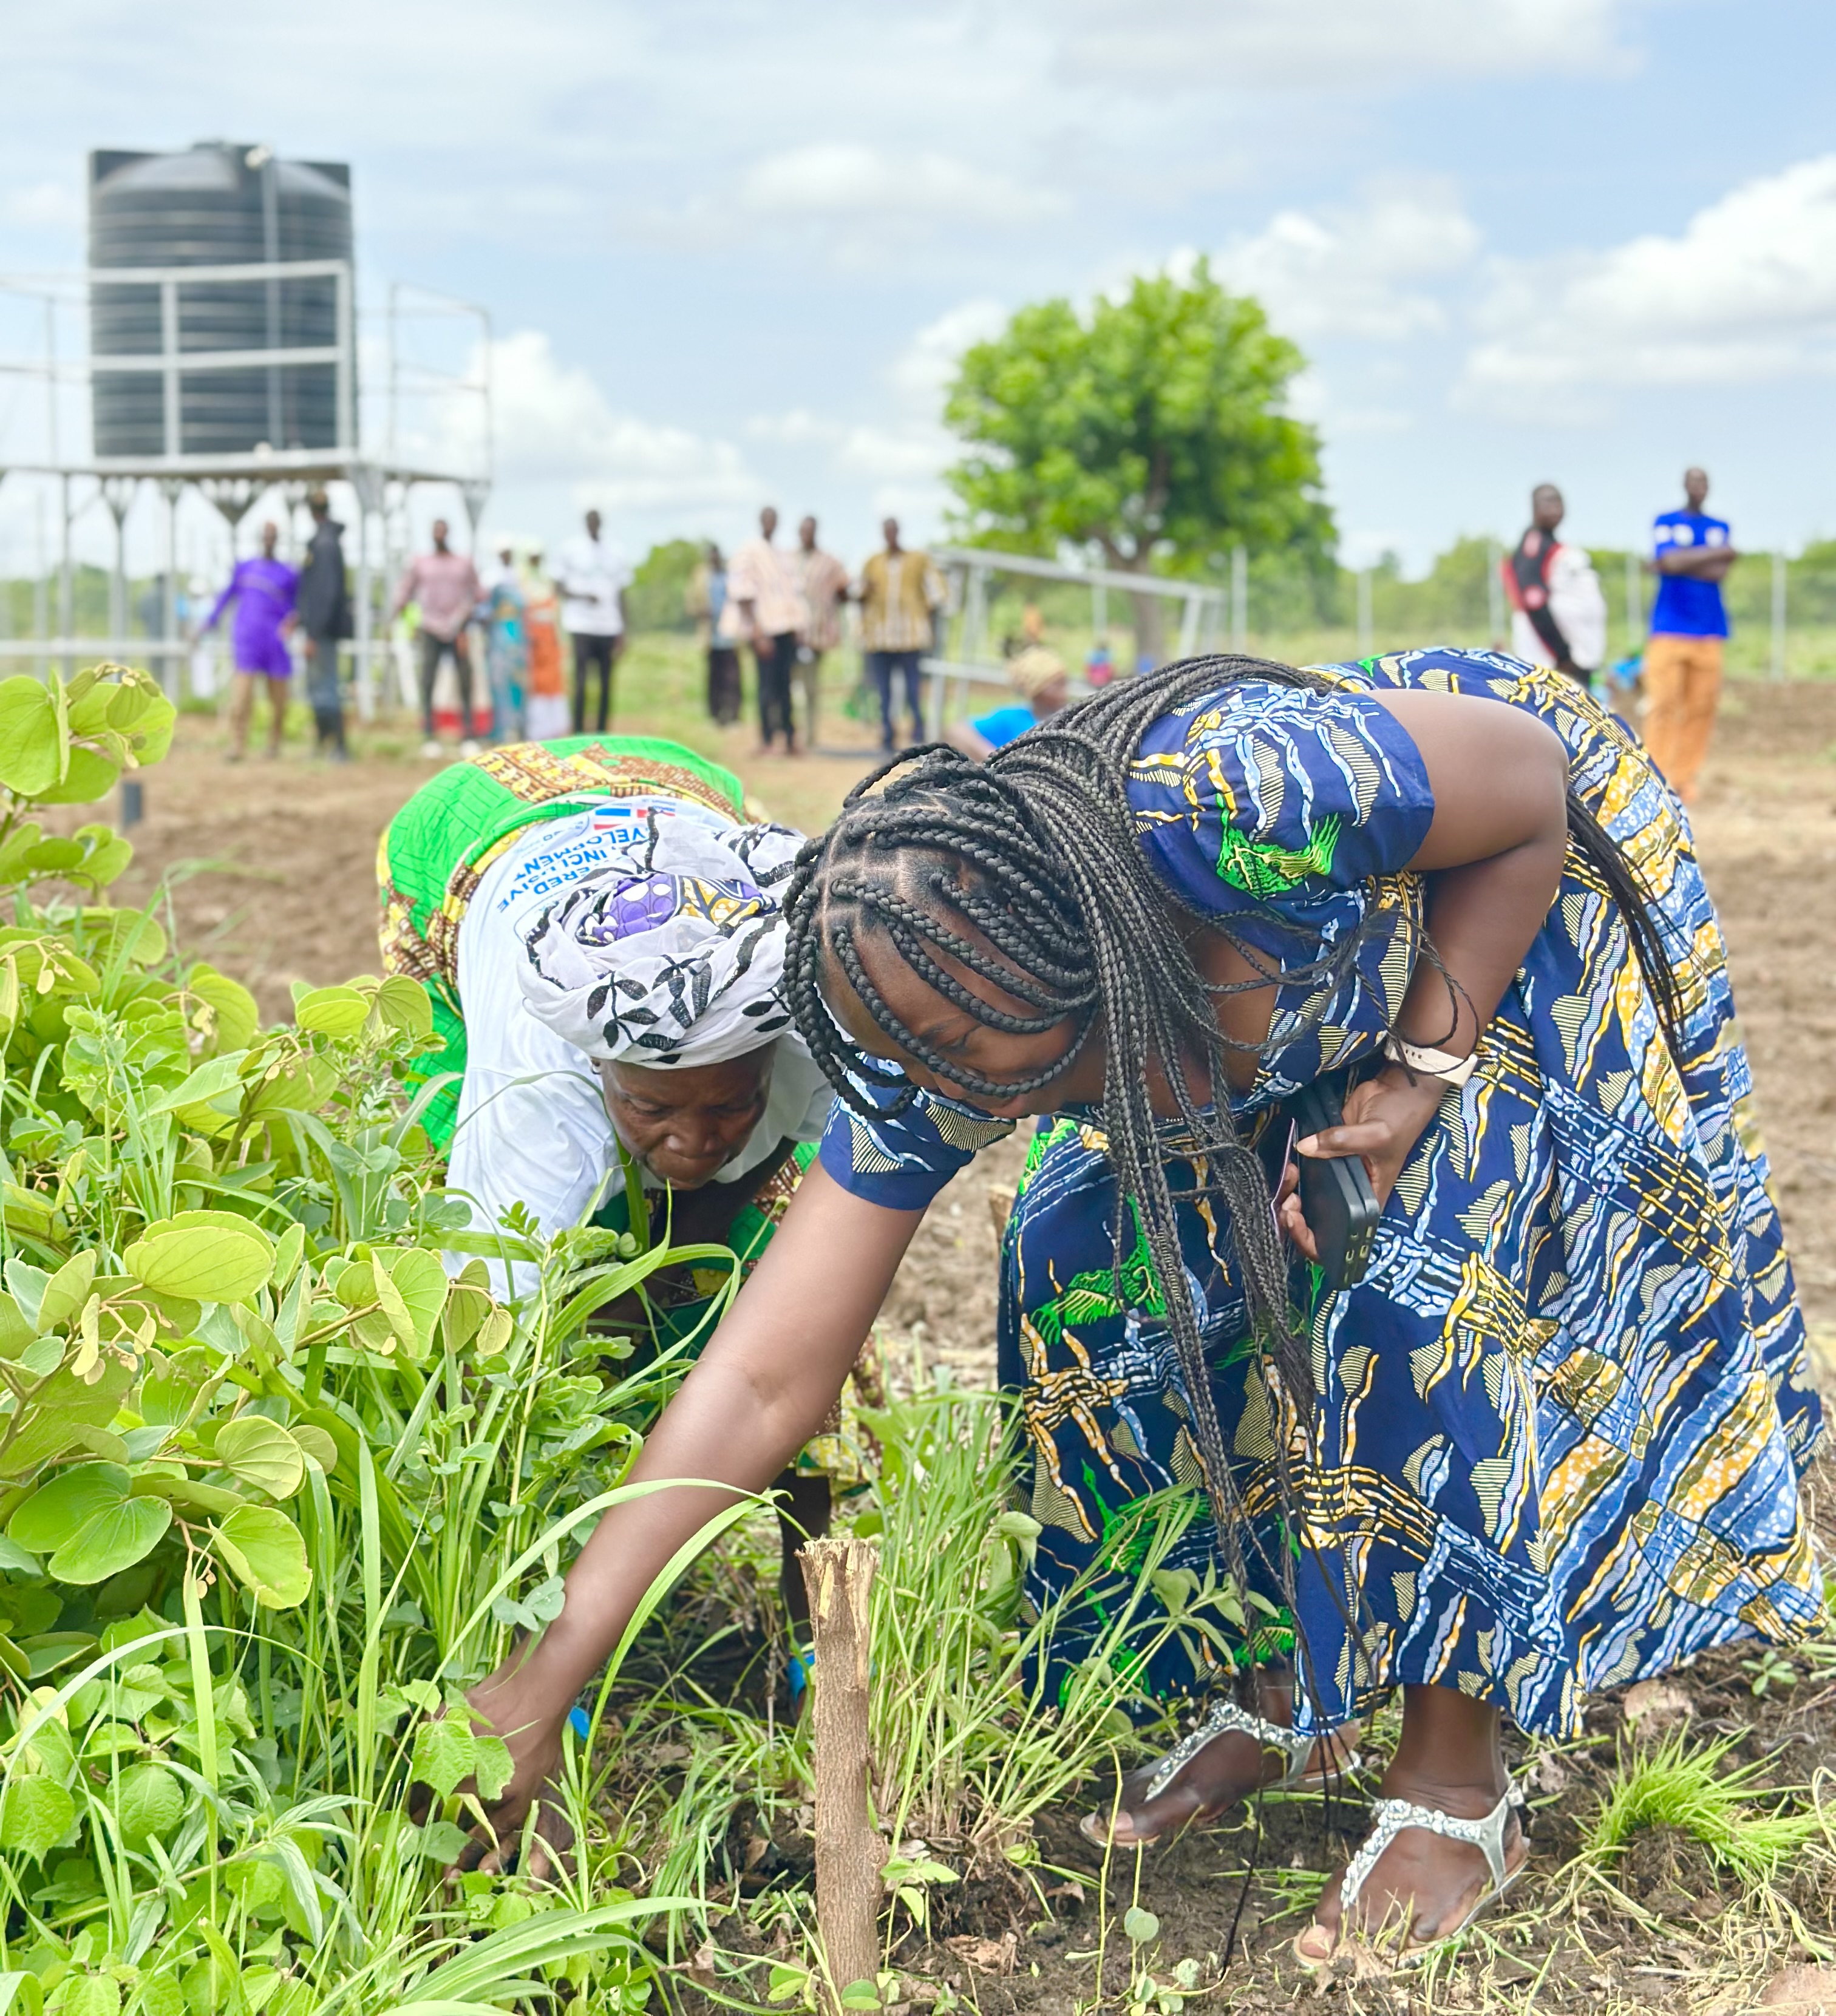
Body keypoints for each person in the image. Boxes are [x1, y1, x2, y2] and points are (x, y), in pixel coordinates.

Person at [445, 647, 1818, 1972]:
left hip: (1495, 902)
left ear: (1090, 958)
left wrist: (1416, 1072)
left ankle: (1456, 1778)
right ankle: (1273, 1683)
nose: (977, 1111)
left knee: (1414, 1292)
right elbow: (760, 1379)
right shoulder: (930, 1012)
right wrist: (544, 1674)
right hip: (1251, 990)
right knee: (1079, 1268)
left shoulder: (1245, 801)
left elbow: (1524, 788)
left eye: (1011, 1076)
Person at [376, 733, 847, 1650]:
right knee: (539, 1302)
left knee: (782, 1270)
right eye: (649, 1107)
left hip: (678, 791)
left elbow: (824, 1270)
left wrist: (694, 1247)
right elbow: (495, 1346)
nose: (694, 1140)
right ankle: (549, 1594)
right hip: (467, 839)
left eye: (730, 1105)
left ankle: (816, 1644)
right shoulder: (537, 1086)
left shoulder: (814, 1022)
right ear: (597, 1069)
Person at [1644, 467, 1737, 804]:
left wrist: (1682, 562)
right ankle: (1656, 775)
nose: (1699, 487)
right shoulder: (1666, 520)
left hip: (1710, 631)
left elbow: (1718, 572)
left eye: (1704, 482)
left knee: (1702, 707)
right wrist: (1718, 554)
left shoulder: (1719, 526)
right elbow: (1669, 562)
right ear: (1684, 485)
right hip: (1668, 629)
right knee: (1664, 703)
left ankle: (1684, 779)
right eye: (1693, 481)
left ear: (1709, 488)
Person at [199, 519, 297, 762]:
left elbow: (296, 607)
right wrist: (208, 623)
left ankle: (274, 743)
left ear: (277, 540)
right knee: (242, 697)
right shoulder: (245, 569)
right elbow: (226, 598)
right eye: (265, 535)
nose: (269, 540)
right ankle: (238, 744)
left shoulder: (288, 574)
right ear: (260, 538)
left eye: (273, 536)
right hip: (248, 641)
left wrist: (293, 623)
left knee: (279, 698)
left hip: (275, 642)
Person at [389, 520, 484, 759]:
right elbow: (404, 594)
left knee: (465, 680)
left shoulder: (463, 563)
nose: (439, 535)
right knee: (428, 681)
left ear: (448, 533)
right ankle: (429, 734)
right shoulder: (421, 563)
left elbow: (479, 594)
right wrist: (404, 622)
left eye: (442, 530)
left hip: (458, 628)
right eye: (436, 531)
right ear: (432, 535)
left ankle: (469, 734)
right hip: (430, 628)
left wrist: (467, 616)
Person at [1500, 484, 1606, 688]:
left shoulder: (1549, 543)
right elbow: (1533, 602)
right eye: (1548, 502)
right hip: (1552, 659)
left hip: (1568, 655)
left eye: (1558, 502)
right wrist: (1563, 654)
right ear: (1534, 507)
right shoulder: (1535, 544)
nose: (1555, 508)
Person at [857, 517, 943, 753]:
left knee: (913, 688)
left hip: (910, 637)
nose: (890, 535)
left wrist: (922, 609)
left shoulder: (917, 560)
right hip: (881, 637)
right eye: (887, 531)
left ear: (899, 532)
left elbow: (937, 591)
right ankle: (887, 733)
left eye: (893, 531)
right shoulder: (873, 562)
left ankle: (917, 731)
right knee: (883, 690)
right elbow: (859, 592)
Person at [728, 507, 808, 756]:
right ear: (761, 522)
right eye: (767, 520)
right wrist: (758, 633)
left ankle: (789, 738)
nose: (771, 524)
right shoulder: (749, 551)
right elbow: (743, 594)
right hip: (763, 631)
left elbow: (793, 594)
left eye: (775, 520)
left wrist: (798, 627)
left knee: (785, 687)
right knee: (766, 688)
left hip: (785, 630)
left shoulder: (783, 555)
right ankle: (766, 740)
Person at [557, 509, 631, 735]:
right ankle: (578, 730)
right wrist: (583, 596)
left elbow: (622, 593)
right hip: (581, 625)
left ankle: (602, 731)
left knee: (607, 683)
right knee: (580, 681)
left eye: (596, 522)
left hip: (609, 626)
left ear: (601, 523)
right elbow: (558, 587)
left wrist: (624, 630)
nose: (593, 525)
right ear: (585, 524)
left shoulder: (616, 551)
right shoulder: (571, 550)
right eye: (590, 522)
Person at [296, 489, 353, 761]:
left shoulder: (323, 545)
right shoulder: (327, 542)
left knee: (326, 687)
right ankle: (324, 744)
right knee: (321, 686)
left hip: (322, 632)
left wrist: (313, 633)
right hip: (322, 629)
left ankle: (338, 746)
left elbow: (325, 594)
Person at [946, 645, 1069, 760]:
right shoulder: (1013, 718)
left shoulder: (1070, 720)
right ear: (1037, 690)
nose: (1064, 692)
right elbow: (958, 732)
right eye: (1057, 685)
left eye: (1064, 683)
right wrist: (995, 758)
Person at [794, 515, 849, 752]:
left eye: (810, 531)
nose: (806, 535)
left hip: (816, 637)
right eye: (803, 531)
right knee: (787, 687)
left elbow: (844, 590)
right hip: (791, 634)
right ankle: (788, 734)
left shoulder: (829, 563)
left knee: (811, 688)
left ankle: (810, 736)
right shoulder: (789, 560)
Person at [686, 541, 742, 726]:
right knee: (714, 677)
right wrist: (702, 612)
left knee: (732, 677)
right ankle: (715, 715)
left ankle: (733, 714)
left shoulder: (730, 575)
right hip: (711, 635)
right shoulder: (700, 576)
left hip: (731, 635)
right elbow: (691, 603)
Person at [480, 544, 528, 745]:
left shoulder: (519, 576)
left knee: (518, 683)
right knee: (498, 683)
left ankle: (519, 729)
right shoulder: (490, 577)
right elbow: (483, 610)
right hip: (498, 638)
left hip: (517, 638)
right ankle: (499, 731)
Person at [520, 550, 571, 741]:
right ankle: (538, 730)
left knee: (555, 682)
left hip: (551, 641)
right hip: (533, 641)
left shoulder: (548, 582)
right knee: (537, 684)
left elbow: (557, 615)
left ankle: (556, 728)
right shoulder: (523, 584)